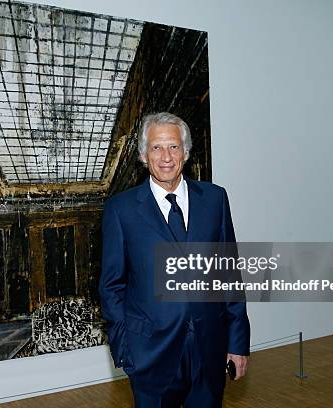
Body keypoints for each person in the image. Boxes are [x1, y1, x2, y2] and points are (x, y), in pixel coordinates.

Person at [99, 112, 250, 407]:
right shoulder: (121, 209)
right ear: (144, 155)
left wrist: (237, 342)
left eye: (174, 147)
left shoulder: (215, 199)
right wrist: (125, 349)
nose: (166, 156)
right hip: (149, 354)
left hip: (210, 349)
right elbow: (111, 286)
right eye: (156, 147)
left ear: (186, 152)